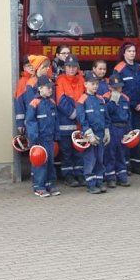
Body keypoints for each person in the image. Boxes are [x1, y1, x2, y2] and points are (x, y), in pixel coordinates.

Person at [113, 43, 140, 175]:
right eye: (129, 51)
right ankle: (125, 166)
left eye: (134, 51)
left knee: (137, 136)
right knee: (126, 136)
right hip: (125, 108)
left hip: (139, 108)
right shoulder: (119, 68)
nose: (132, 53)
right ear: (124, 53)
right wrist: (132, 103)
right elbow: (117, 89)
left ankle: (137, 165)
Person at [25, 75, 60, 197]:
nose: (51, 90)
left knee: (50, 163)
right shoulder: (34, 103)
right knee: (40, 163)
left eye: (52, 87)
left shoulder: (52, 102)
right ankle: (39, 187)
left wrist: (56, 137)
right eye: (48, 87)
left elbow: (56, 121)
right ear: (40, 88)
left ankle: (50, 185)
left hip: (50, 139)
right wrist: (34, 140)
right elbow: (30, 122)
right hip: (39, 140)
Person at [55, 54, 85, 187]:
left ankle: (80, 174)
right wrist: (75, 114)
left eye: (73, 66)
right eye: (69, 66)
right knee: (66, 152)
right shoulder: (60, 80)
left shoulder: (82, 80)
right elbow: (61, 101)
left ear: (77, 67)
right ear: (65, 67)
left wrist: (81, 115)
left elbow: (85, 98)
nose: (71, 69)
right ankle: (68, 176)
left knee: (79, 152)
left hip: (79, 124)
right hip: (66, 124)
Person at [76, 71, 108, 194]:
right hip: (89, 135)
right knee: (90, 160)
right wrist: (89, 134)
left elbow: (106, 117)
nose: (95, 86)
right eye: (92, 84)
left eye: (96, 84)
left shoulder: (101, 99)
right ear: (85, 84)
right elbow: (82, 119)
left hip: (100, 134)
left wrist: (107, 131)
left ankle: (99, 182)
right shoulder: (82, 100)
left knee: (100, 159)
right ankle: (90, 184)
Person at [103, 73, 131, 187]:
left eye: (119, 87)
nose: (118, 89)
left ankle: (122, 176)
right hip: (112, 128)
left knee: (122, 153)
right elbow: (106, 114)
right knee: (110, 154)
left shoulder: (125, 98)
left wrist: (129, 132)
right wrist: (112, 101)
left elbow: (128, 116)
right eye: (115, 87)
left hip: (123, 128)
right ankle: (110, 178)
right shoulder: (105, 98)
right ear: (109, 87)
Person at [13, 54, 34, 135]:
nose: (31, 67)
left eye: (32, 65)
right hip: (28, 121)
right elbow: (19, 103)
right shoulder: (22, 82)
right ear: (24, 68)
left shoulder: (39, 79)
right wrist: (20, 123)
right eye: (28, 66)